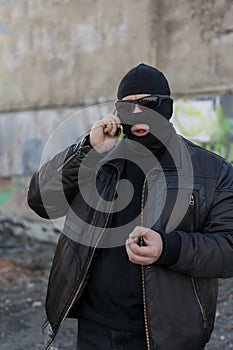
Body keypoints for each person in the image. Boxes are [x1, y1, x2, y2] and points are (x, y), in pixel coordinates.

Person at [27, 63, 233, 350]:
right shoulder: (99, 157)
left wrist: (168, 248)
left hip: (166, 336)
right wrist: (87, 147)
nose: (138, 114)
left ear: (167, 108)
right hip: (95, 329)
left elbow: (228, 247)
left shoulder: (212, 170)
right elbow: (40, 200)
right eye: (127, 106)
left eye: (148, 104)